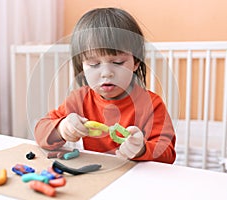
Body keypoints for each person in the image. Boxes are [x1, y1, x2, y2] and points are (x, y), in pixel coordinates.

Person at [34, 7, 176, 163]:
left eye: (117, 62)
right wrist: (62, 128)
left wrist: (141, 149)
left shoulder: (152, 104)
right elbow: (40, 131)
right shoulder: (79, 99)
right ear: (82, 67)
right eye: (94, 64)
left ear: (135, 62)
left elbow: (168, 153)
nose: (106, 73)